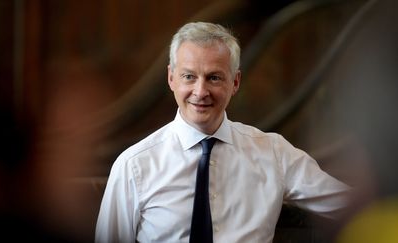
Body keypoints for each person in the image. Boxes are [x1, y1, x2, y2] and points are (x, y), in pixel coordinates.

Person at [95, 21, 350, 242]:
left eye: (214, 77)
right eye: (189, 76)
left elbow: (351, 207)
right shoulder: (134, 166)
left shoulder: (273, 152)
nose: (200, 91)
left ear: (235, 82)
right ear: (171, 78)